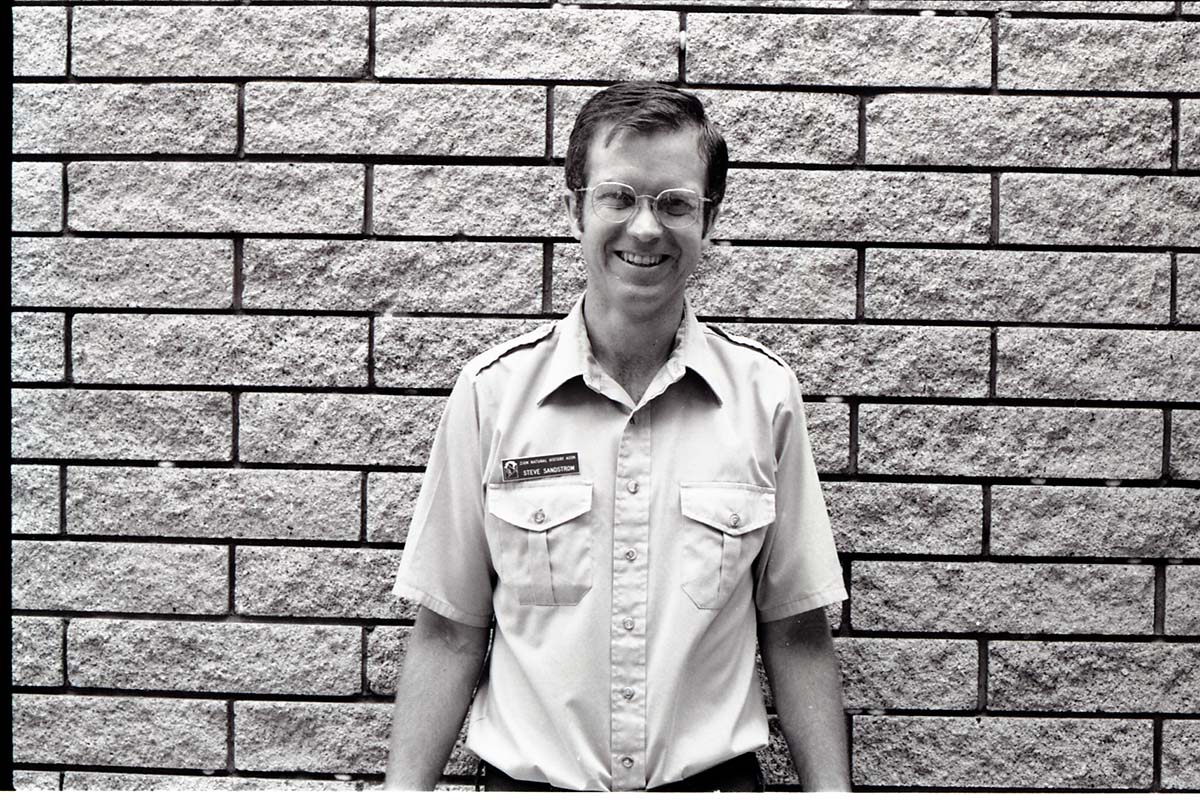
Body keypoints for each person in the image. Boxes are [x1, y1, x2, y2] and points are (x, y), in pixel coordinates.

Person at [384, 81, 850, 792]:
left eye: (674, 203)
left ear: (708, 219)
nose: (645, 227)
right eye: (619, 197)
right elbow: (449, 631)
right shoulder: (493, 395)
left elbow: (796, 632)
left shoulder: (764, 397)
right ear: (575, 207)